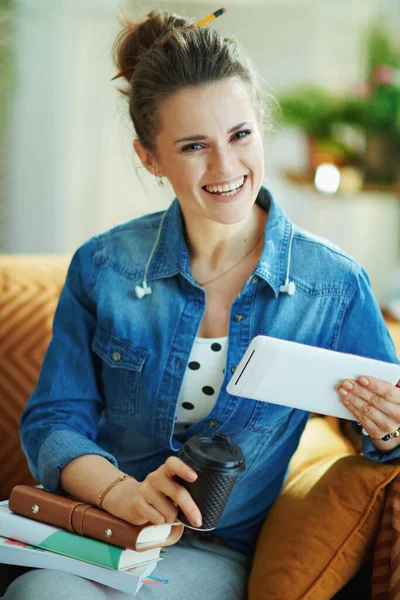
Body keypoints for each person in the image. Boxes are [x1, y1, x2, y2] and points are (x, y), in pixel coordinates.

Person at [4, 8, 400, 600]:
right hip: (104, 529)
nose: (225, 167)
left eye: (240, 135)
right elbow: (53, 421)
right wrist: (122, 493)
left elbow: (377, 435)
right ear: (150, 158)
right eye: (194, 146)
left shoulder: (334, 285)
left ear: (261, 128)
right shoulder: (103, 267)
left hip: (214, 551)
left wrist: (390, 426)